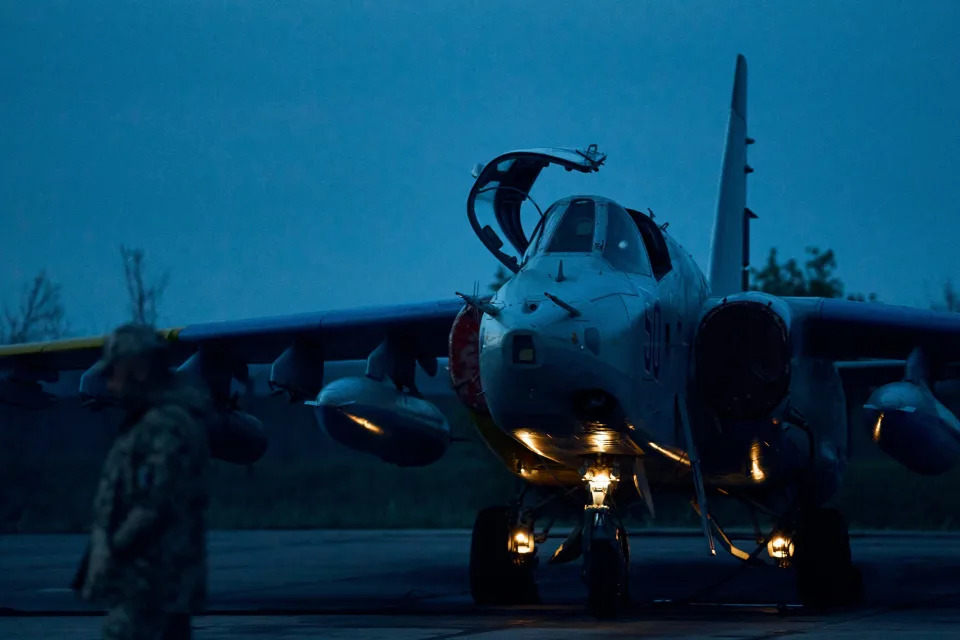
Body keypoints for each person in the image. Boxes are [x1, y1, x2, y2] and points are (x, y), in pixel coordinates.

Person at [73, 324, 214, 640]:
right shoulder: (153, 421)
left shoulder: (165, 425)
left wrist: (109, 551)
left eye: (114, 372)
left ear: (137, 369)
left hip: (150, 584)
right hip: (150, 585)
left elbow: (153, 504)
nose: (109, 383)